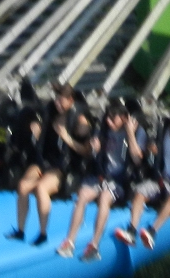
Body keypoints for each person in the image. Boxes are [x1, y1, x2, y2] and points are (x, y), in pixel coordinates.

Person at [55, 100, 145, 260]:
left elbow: (137, 159)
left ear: (124, 118)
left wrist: (130, 133)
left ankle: (94, 245)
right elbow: (89, 151)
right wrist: (94, 147)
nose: (109, 122)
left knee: (104, 198)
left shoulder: (137, 132)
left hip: (119, 180)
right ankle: (70, 241)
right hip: (100, 175)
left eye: (113, 119)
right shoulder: (103, 130)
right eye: (108, 118)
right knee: (81, 197)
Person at [116, 100, 170, 250]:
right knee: (140, 192)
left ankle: (152, 231)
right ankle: (131, 230)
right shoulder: (165, 128)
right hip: (163, 177)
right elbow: (152, 143)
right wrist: (152, 147)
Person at [7, 84, 88, 245]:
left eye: (61, 101)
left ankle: (43, 233)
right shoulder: (50, 112)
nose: (57, 104)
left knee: (41, 188)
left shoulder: (79, 120)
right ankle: (20, 230)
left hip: (62, 166)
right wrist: (36, 127)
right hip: (44, 161)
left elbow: (85, 150)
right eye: (56, 100)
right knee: (23, 185)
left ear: (70, 100)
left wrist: (66, 137)